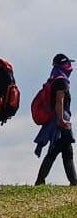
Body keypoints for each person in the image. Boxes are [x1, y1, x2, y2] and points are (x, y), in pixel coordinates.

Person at [35, 54, 76, 186]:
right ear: (64, 65)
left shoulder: (52, 79)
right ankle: (41, 180)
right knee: (59, 151)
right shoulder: (61, 81)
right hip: (60, 121)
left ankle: (73, 181)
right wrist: (61, 121)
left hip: (55, 121)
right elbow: (60, 101)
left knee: (63, 151)